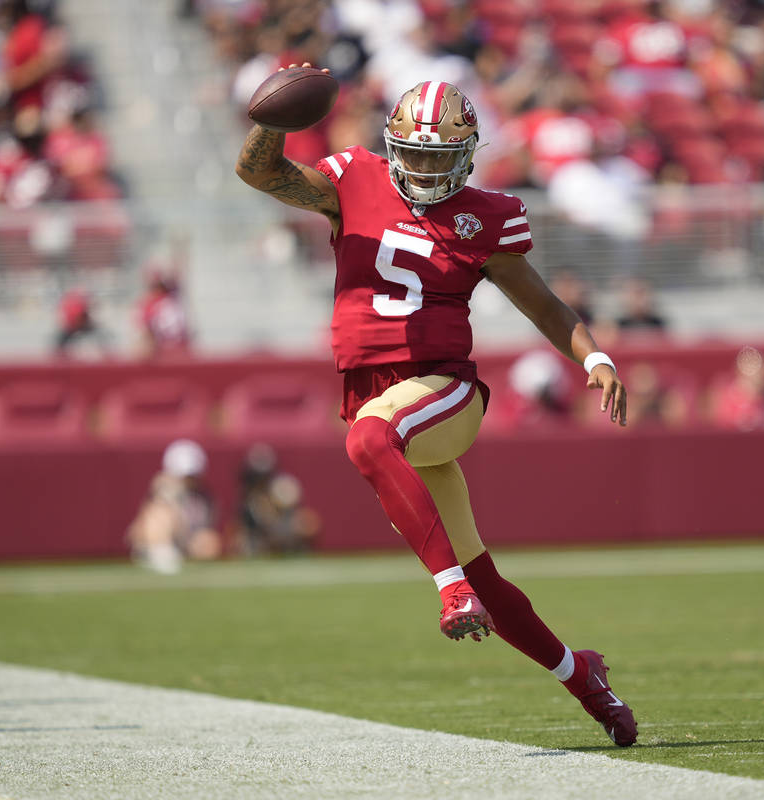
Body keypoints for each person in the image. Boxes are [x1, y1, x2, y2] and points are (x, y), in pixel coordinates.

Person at [235, 67, 636, 746]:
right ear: (393, 146)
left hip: (443, 390)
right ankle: (583, 676)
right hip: (380, 394)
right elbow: (261, 174)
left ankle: (450, 593)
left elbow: (540, 302)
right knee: (483, 572)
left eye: (438, 156)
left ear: (467, 155)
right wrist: (273, 120)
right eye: (414, 152)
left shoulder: (488, 215)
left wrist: (594, 357)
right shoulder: (354, 179)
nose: (423, 167)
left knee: (368, 442)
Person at [127, 438, 222, 574]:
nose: (189, 480)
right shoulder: (160, 495)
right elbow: (138, 532)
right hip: (161, 544)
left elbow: (204, 534)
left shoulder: (204, 499)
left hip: (186, 546)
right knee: (160, 514)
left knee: (209, 542)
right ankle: (160, 554)